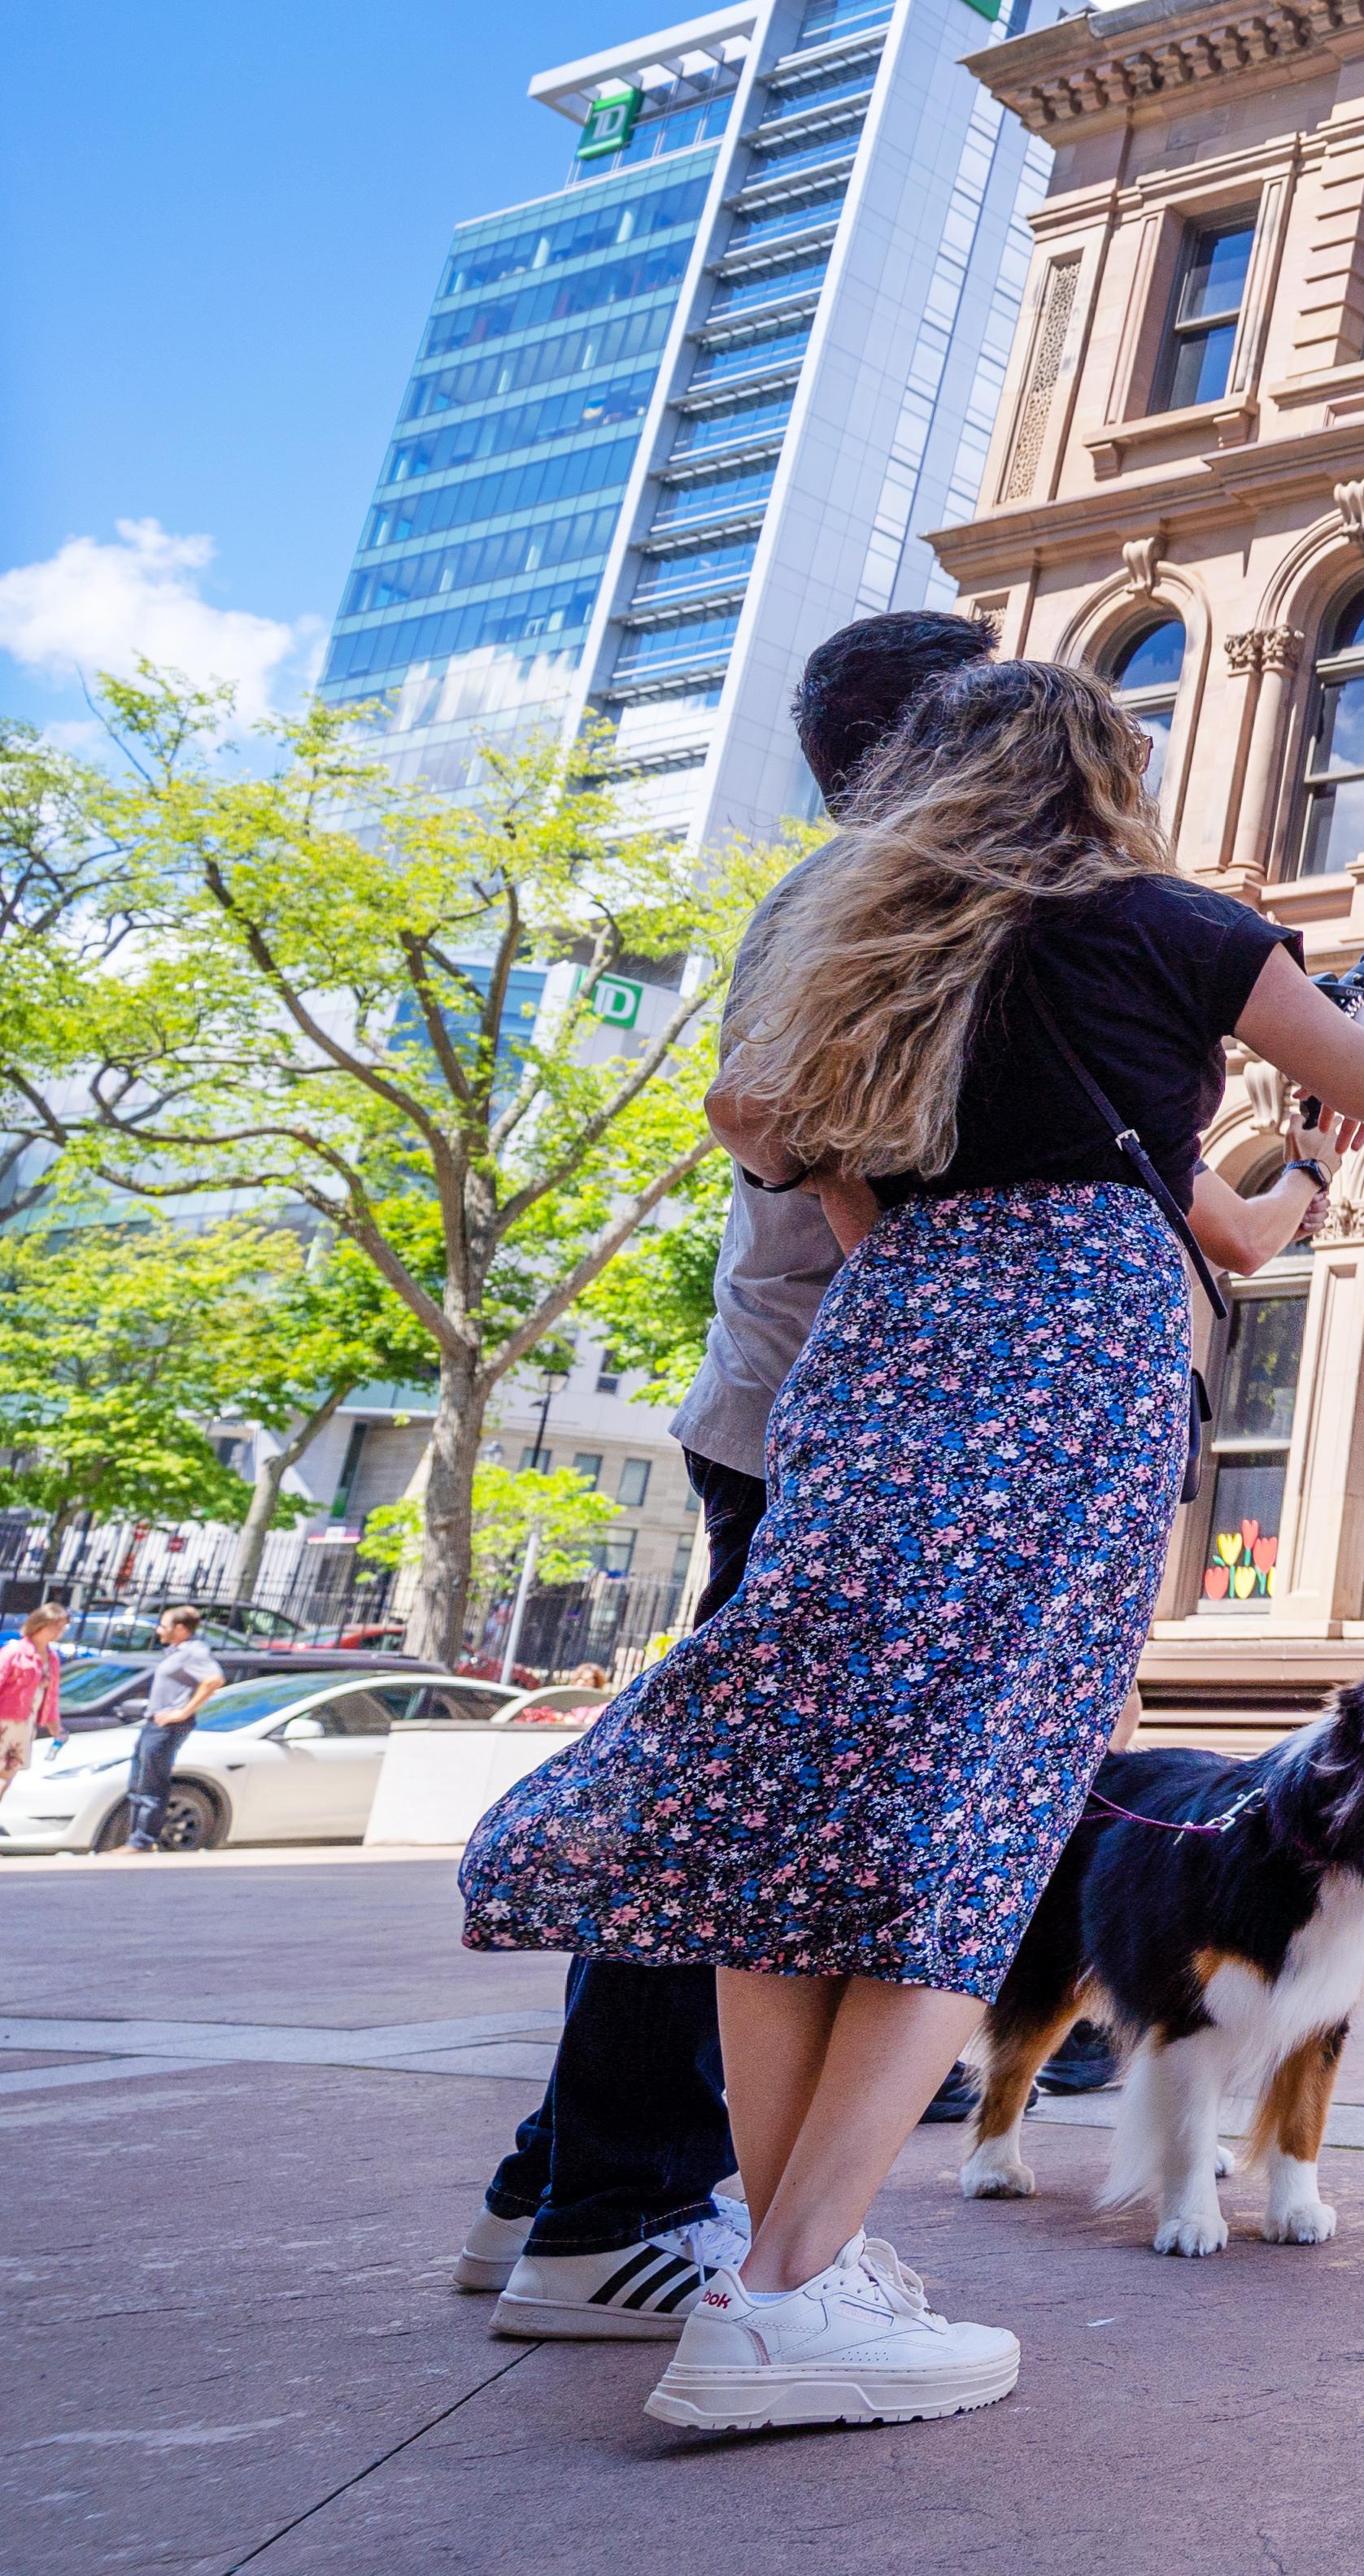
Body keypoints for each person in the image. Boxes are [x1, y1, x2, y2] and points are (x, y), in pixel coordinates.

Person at [460, 655, 1364, 2435]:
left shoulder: (860, 956)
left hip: (876, 1362)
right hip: (1069, 1384)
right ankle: (787, 2293)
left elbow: (837, 1189)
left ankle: (778, 2265)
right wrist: (1353, 1057)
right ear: (1103, 776)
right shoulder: (1170, 923)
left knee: (794, 1805)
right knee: (977, 1803)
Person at [457, 607, 1000, 2340]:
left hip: (792, 1417)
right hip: (833, 1429)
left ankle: (556, 2184)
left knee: (733, 1807)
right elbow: (806, 1126)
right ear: (934, 742)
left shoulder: (854, 896)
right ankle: (609, 2207)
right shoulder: (881, 900)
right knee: (734, 1829)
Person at [118, 1608, 223, 1852]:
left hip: (169, 1725)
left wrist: (183, 1712)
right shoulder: (177, 1652)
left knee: (152, 1782)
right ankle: (134, 1840)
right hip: (155, 1723)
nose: (159, 1630)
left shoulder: (194, 1651)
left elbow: (214, 1680)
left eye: (163, 1625)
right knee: (139, 1781)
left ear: (180, 1629)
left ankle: (142, 1841)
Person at [0, 1604, 68, 1803]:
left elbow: (52, 1696)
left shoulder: (52, 1658)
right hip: (4, 1720)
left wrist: (55, 1727)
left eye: (61, 1627)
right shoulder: (15, 1651)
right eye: (54, 1627)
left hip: (25, 1724)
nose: (58, 1632)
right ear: (39, 1625)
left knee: (8, 1775)